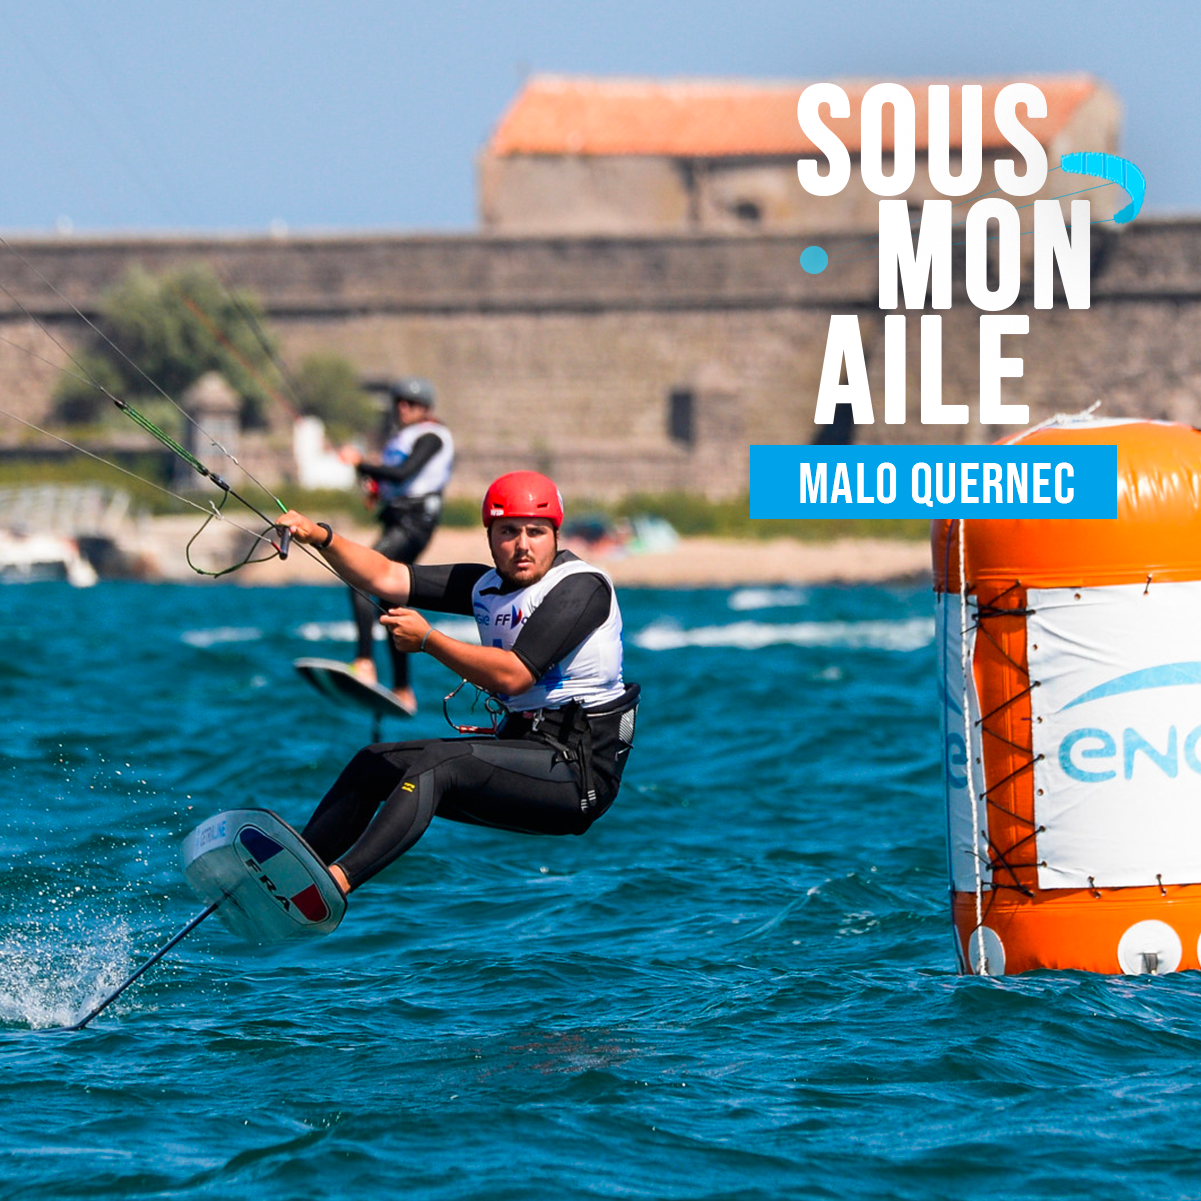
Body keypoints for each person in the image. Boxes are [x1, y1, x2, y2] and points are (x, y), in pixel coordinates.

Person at [278, 471, 640, 898]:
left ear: (556, 535)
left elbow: (513, 675)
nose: (523, 545)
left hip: (576, 776)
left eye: (536, 532)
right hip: (524, 750)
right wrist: (321, 536)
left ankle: (332, 885)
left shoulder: (581, 587)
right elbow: (385, 576)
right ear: (490, 537)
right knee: (372, 764)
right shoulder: (485, 586)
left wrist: (428, 641)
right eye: (508, 532)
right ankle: (291, 880)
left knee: (439, 764)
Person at [339, 376, 454, 713]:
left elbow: (404, 473)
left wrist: (361, 463)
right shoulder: (399, 439)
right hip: (398, 519)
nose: (404, 408)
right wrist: (374, 485)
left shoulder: (432, 436)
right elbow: (393, 480)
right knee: (390, 600)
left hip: (415, 522)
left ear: (426, 409)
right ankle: (403, 689)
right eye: (400, 402)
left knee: (360, 577)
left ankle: (364, 662)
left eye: (412, 403)